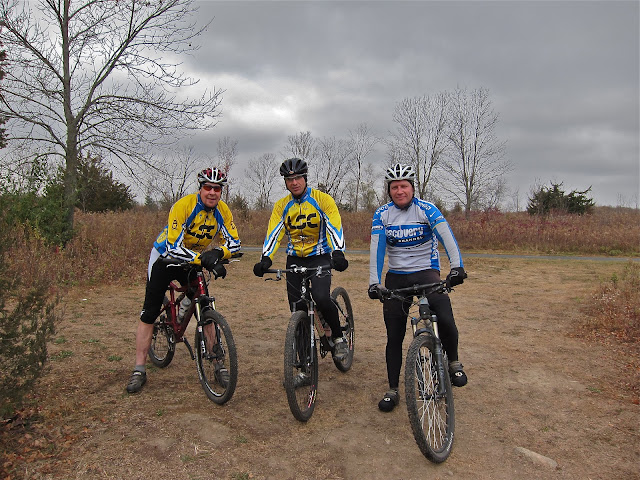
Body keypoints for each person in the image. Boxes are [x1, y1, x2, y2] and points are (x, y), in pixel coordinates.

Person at [126, 167, 241, 394]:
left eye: (217, 189)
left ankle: (218, 363)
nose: (212, 192)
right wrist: (203, 259)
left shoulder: (223, 211)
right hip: (164, 258)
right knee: (149, 311)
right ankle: (139, 369)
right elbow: (174, 247)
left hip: (192, 259)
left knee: (205, 306)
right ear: (200, 189)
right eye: (207, 187)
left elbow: (234, 242)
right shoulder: (183, 206)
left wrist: (218, 253)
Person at [368, 163, 468, 412]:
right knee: (394, 336)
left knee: (445, 317)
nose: (399, 191)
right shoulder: (382, 214)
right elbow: (377, 249)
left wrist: (457, 267)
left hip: (426, 272)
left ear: (412, 188)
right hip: (397, 277)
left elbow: (447, 238)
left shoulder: (427, 209)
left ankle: (454, 363)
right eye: (394, 187)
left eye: (404, 186)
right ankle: (392, 389)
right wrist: (374, 283)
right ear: (389, 190)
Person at [253, 157, 350, 361]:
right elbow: (274, 233)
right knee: (297, 308)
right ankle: (305, 363)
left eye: (298, 178)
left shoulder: (322, 200)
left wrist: (338, 252)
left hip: (320, 257)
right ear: (285, 182)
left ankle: (339, 337)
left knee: (321, 297)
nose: (294, 182)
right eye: (289, 179)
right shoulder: (282, 206)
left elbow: (334, 227)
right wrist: (266, 258)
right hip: (295, 259)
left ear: (305, 178)